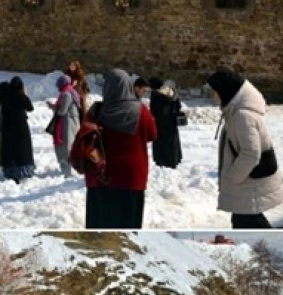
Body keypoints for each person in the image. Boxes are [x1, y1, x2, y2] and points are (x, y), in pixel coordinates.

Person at [207, 68, 283, 229]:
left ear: (226, 91)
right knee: (247, 221)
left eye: (215, 92)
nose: (212, 96)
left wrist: (232, 177)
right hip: (247, 187)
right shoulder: (236, 113)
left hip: (248, 187)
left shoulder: (242, 117)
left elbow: (251, 154)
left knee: (248, 222)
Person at [83, 69, 157, 229]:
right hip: (131, 178)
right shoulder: (141, 111)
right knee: (128, 225)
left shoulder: (96, 111)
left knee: (100, 226)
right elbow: (152, 134)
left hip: (100, 176)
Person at [0, 77, 35, 182]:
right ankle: (23, 171)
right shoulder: (20, 97)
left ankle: (9, 170)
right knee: (22, 150)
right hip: (21, 127)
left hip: (7, 127)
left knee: (9, 150)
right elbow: (30, 107)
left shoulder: (5, 95)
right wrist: (24, 93)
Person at [48, 74, 81, 178]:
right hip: (70, 123)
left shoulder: (66, 94)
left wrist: (53, 107)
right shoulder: (70, 91)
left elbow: (62, 111)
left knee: (66, 146)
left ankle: (67, 172)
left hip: (67, 124)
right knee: (68, 146)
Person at [148, 77, 183, 169]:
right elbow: (178, 106)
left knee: (160, 143)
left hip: (159, 123)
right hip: (171, 122)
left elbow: (153, 110)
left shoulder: (155, 95)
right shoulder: (172, 92)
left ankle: (161, 162)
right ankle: (174, 160)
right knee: (172, 143)